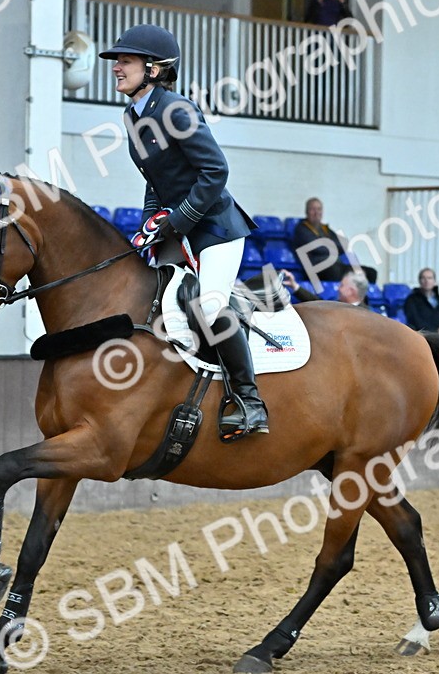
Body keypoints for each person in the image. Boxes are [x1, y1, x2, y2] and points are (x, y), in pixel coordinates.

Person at [99, 24, 267, 441]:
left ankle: (250, 400)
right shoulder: (132, 114)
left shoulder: (177, 110)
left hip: (215, 229)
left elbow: (216, 171)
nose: (117, 68)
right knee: (153, 305)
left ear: (154, 69)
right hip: (178, 229)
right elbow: (156, 180)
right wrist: (150, 225)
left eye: (126, 61)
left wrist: (178, 221)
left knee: (209, 307)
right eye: (117, 61)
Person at [291, 197, 378, 285]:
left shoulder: (325, 229)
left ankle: (362, 298)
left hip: (336, 266)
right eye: (312, 209)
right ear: (307, 212)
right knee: (336, 271)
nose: (316, 213)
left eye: (319, 209)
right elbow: (318, 248)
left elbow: (344, 244)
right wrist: (331, 245)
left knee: (370, 273)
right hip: (317, 269)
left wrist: (327, 244)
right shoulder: (301, 229)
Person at [402, 268, 439, 334]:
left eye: (429, 278)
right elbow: (414, 320)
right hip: (423, 335)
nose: (426, 281)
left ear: (434, 281)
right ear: (419, 281)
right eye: (423, 278)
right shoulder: (412, 300)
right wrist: (435, 330)